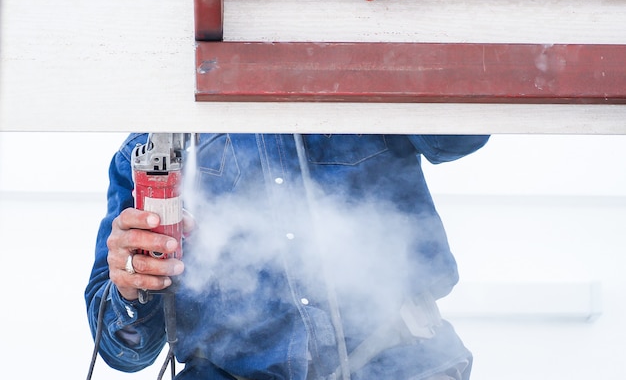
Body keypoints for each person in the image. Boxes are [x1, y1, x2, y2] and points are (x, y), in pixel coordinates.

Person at [85, 133, 490, 380]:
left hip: (403, 364)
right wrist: (129, 286)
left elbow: (457, 137)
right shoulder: (151, 148)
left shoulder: (364, 70)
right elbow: (124, 351)